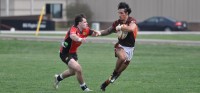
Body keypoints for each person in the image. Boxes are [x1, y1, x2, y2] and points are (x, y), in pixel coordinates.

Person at [96, 2, 138, 91]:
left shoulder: (131, 20)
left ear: (126, 13)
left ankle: (104, 85)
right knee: (122, 58)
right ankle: (114, 72)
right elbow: (108, 31)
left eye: (121, 13)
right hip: (120, 46)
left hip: (130, 49)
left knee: (119, 72)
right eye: (118, 13)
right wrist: (99, 33)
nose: (119, 15)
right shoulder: (117, 23)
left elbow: (131, 28)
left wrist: (121, 27)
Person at [53, 14, 98, 92]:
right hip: (65, 53)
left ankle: (58, 78)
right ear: (79, 23)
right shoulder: (73, 28)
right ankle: (85, 88)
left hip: (73, 53)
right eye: (84, 22)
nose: (86, 23)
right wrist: (80, 39)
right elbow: (73, 36)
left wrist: (98, 33)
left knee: (72, 72)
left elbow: (93, 33)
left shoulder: (86, 30)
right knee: (78, 68)